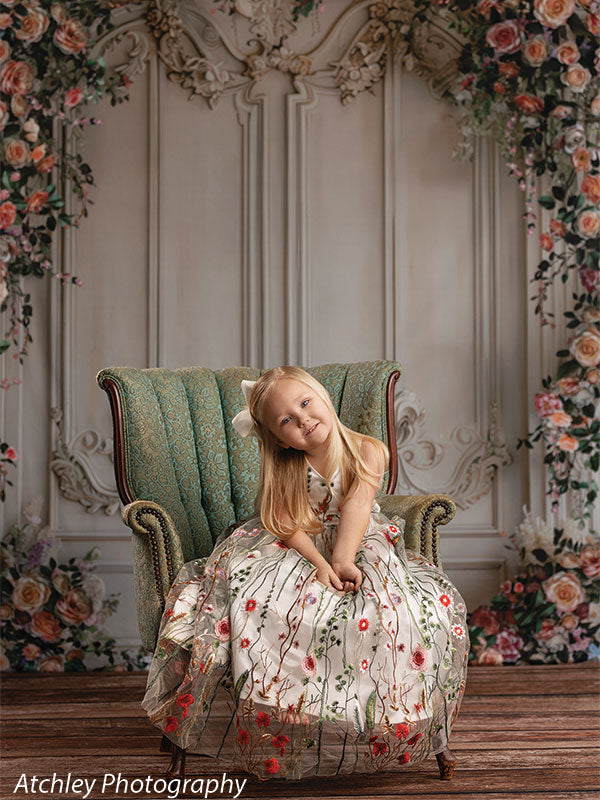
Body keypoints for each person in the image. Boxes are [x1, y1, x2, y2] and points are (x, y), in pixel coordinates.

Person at [141, 366, 470, 781]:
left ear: (322, 396)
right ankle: (285, 716)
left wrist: (344, 560)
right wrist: (318, 562)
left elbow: (356, 507)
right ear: (280, 439)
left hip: (355, 540)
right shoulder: (286, 465)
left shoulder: (367, 450)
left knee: (395, 608)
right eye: (286, 421)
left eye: (304, 403)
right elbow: (283, 521)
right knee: (267, 599)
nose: (302, 420)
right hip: (299, 542)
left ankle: (383, 715)